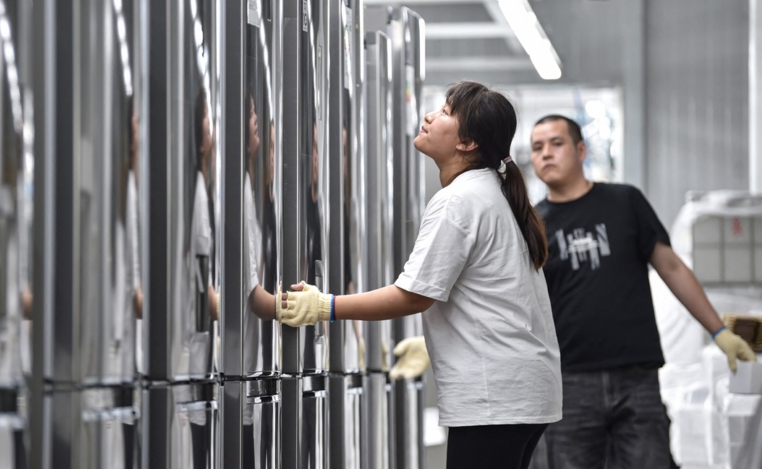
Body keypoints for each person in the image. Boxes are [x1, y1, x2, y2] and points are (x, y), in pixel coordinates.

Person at [279, 81, 563, 469]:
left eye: (445, 112)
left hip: (495, 396)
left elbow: (413, 295)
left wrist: (324, 306)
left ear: (467, 143)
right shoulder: (489, 191)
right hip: (519, 390)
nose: (430, 116)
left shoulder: (460, 199)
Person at [529, 114, 757, 469]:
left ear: (581, 150)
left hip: (636, 375)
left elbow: (672, 267)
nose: (545, 153)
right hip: (569, 380)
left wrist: (719, 332)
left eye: (556, 143)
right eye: (537, 147)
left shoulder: (624, 202)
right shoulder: (533, 225)